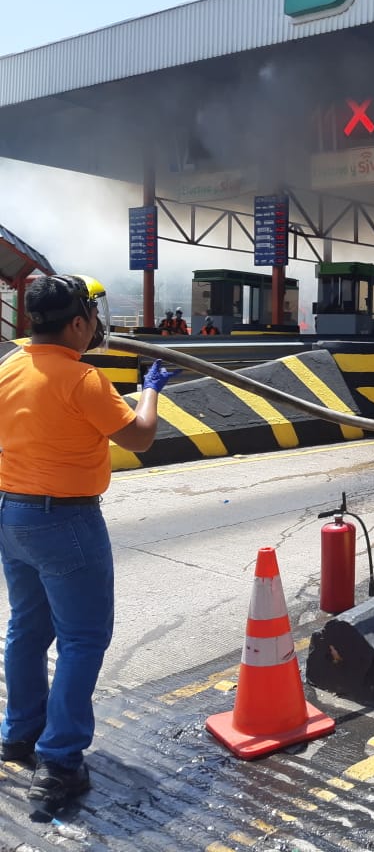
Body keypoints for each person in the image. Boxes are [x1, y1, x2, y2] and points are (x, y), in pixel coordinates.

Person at [0, 274, 179, 809]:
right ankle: (59, 761)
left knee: (28, 630)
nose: (96, 327)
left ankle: (18, 734)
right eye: (92, 319)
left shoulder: (7, 368)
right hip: (68, 522)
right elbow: (140, 436)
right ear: (77, 323)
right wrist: (149, 392)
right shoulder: (85, 380)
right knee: (81, 639)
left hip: (12, 515)